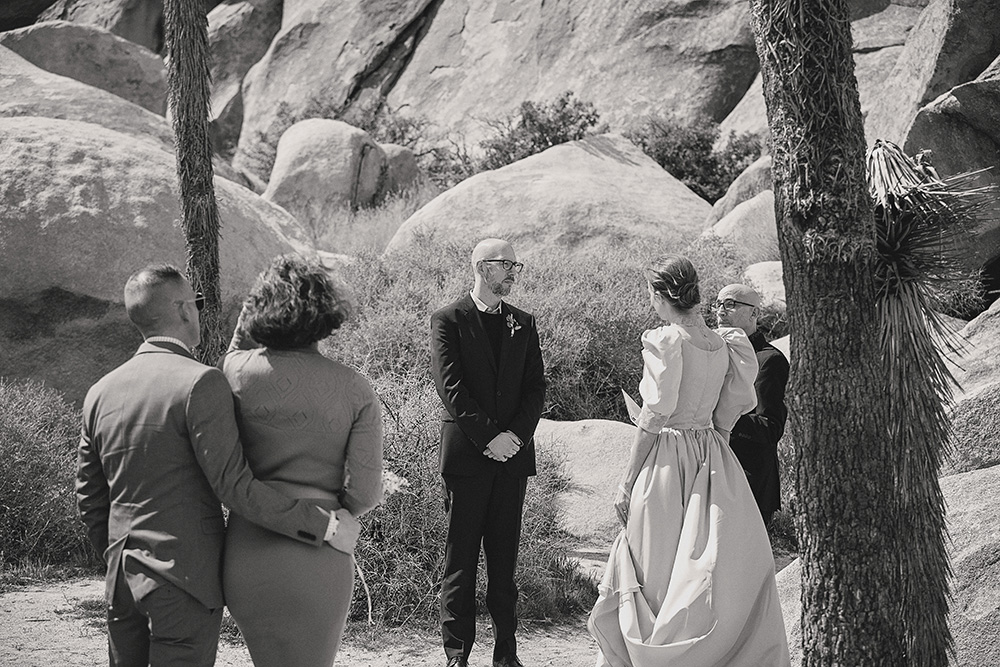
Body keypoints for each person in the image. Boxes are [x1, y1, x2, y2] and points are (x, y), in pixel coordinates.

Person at [76, 264, 343, 667]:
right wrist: (324, 525)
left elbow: (89, 496)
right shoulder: (200, 383)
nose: (199, 311)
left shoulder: (100, 391)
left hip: (120, 580)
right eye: (197, 303)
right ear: (184, 310)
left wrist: (118, 554)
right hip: (184, 580)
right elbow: (234, 487)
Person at [588, 256, 790, 667]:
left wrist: (628, 480)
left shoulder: (667, 340)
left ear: (662, 295)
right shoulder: (726, 343)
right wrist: (714, 455)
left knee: (655, 568)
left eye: (652, 294)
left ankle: (652, 656)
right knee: (703, 571)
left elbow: (654, 414)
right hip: (713, 456)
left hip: (666, 458)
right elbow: (727, 415)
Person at [220, 255, 384, 667]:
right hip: (319, 552)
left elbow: (234, 353)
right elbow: (365, 492)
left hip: (247, 548)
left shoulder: (234, 371)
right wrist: (344, 511)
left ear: (260, 310)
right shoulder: (354, 387)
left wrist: (251, 312)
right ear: (328, 313)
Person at [429, 238, 546, 667]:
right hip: (467, 460)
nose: (514, 272)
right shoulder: (448, 319)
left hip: (512, 459)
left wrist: (514, 436)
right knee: (460, 562)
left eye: (517, 265)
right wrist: (488, 438)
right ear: (482, 267)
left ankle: (507, 656)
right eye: (506, 265)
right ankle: (456, 655)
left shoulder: (524, 322)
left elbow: (536, 387)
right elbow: (451, 388)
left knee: (504, 564)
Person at [714, 284, 789, 527]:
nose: (721, 311)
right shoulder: (713, 353)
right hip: (714, 472)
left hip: (749, 481)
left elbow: (770, 428)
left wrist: (724, 414)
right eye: (718, 304)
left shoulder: (769, 361)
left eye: (731, 304)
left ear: (754, 314)